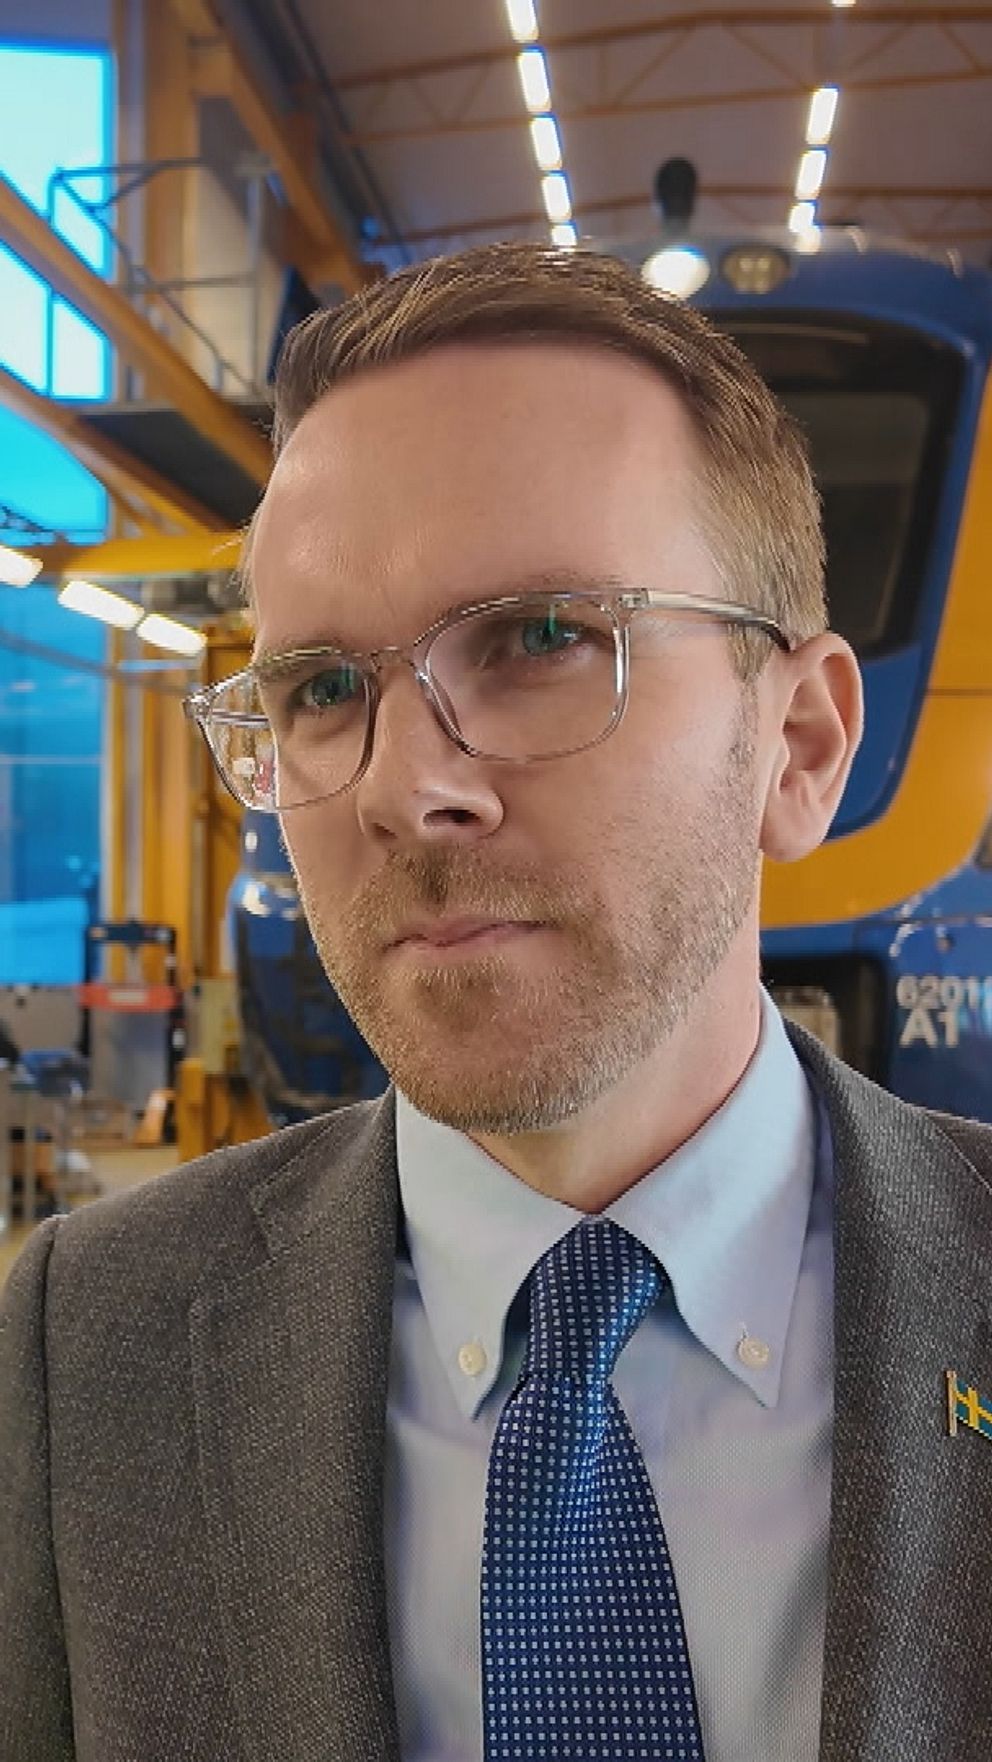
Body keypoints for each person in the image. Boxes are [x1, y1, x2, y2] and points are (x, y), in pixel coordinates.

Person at [3, 242, 991, 1762]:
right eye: (323, 689)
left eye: (541, 639)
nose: (405, 788)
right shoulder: (83, 1344)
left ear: (797, 744)